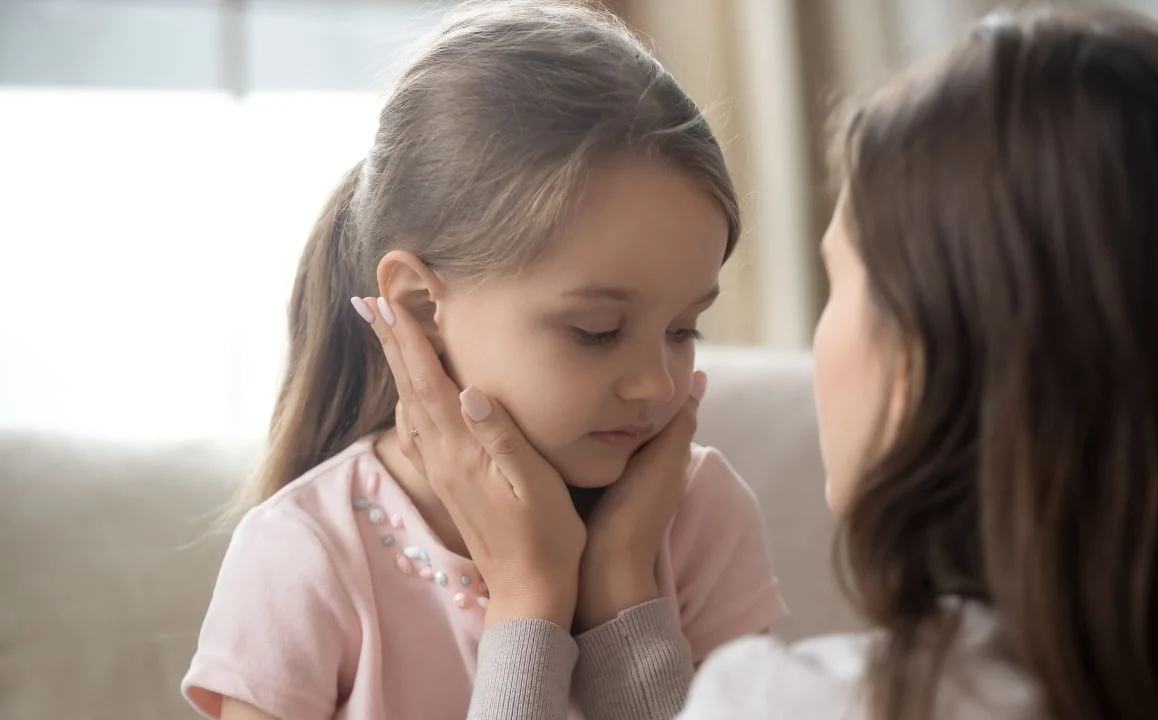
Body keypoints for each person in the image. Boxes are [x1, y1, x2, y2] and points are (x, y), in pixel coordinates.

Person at [374, 8, 1158, 720]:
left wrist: (545, 603)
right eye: (599, 329)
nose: (656, 382)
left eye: (839, 281)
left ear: (922, 359)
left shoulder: (802, 704)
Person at [180, 2, 788, 719]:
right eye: (596, 330)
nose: (655, 382)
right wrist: (530, 603)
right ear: (418, 306)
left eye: (685, 329)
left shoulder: (698, 518)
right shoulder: (304, 555)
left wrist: (624, 591)